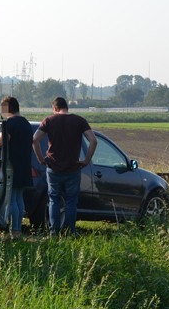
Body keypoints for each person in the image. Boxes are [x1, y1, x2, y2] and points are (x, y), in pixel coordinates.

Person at [32, 97, 97, 236]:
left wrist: (40, 159)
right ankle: (70, 232)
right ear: (67, 107)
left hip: (53, 168)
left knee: (54, 199)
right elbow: (93, 141)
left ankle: (54, 232)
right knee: (71, 201)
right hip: (73, 169)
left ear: (55, 108)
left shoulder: (49, 120)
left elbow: (35, 139)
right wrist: (86, 160)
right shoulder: (80, 121)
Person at [0, 96, 32, 239]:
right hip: (24, 165)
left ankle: (14, 231)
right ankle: (17, 229)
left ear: (7, 108)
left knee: (12, 198)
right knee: (19, 198)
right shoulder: (26, 123)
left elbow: (1, 142)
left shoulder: (10, 123)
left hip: (11, 166)